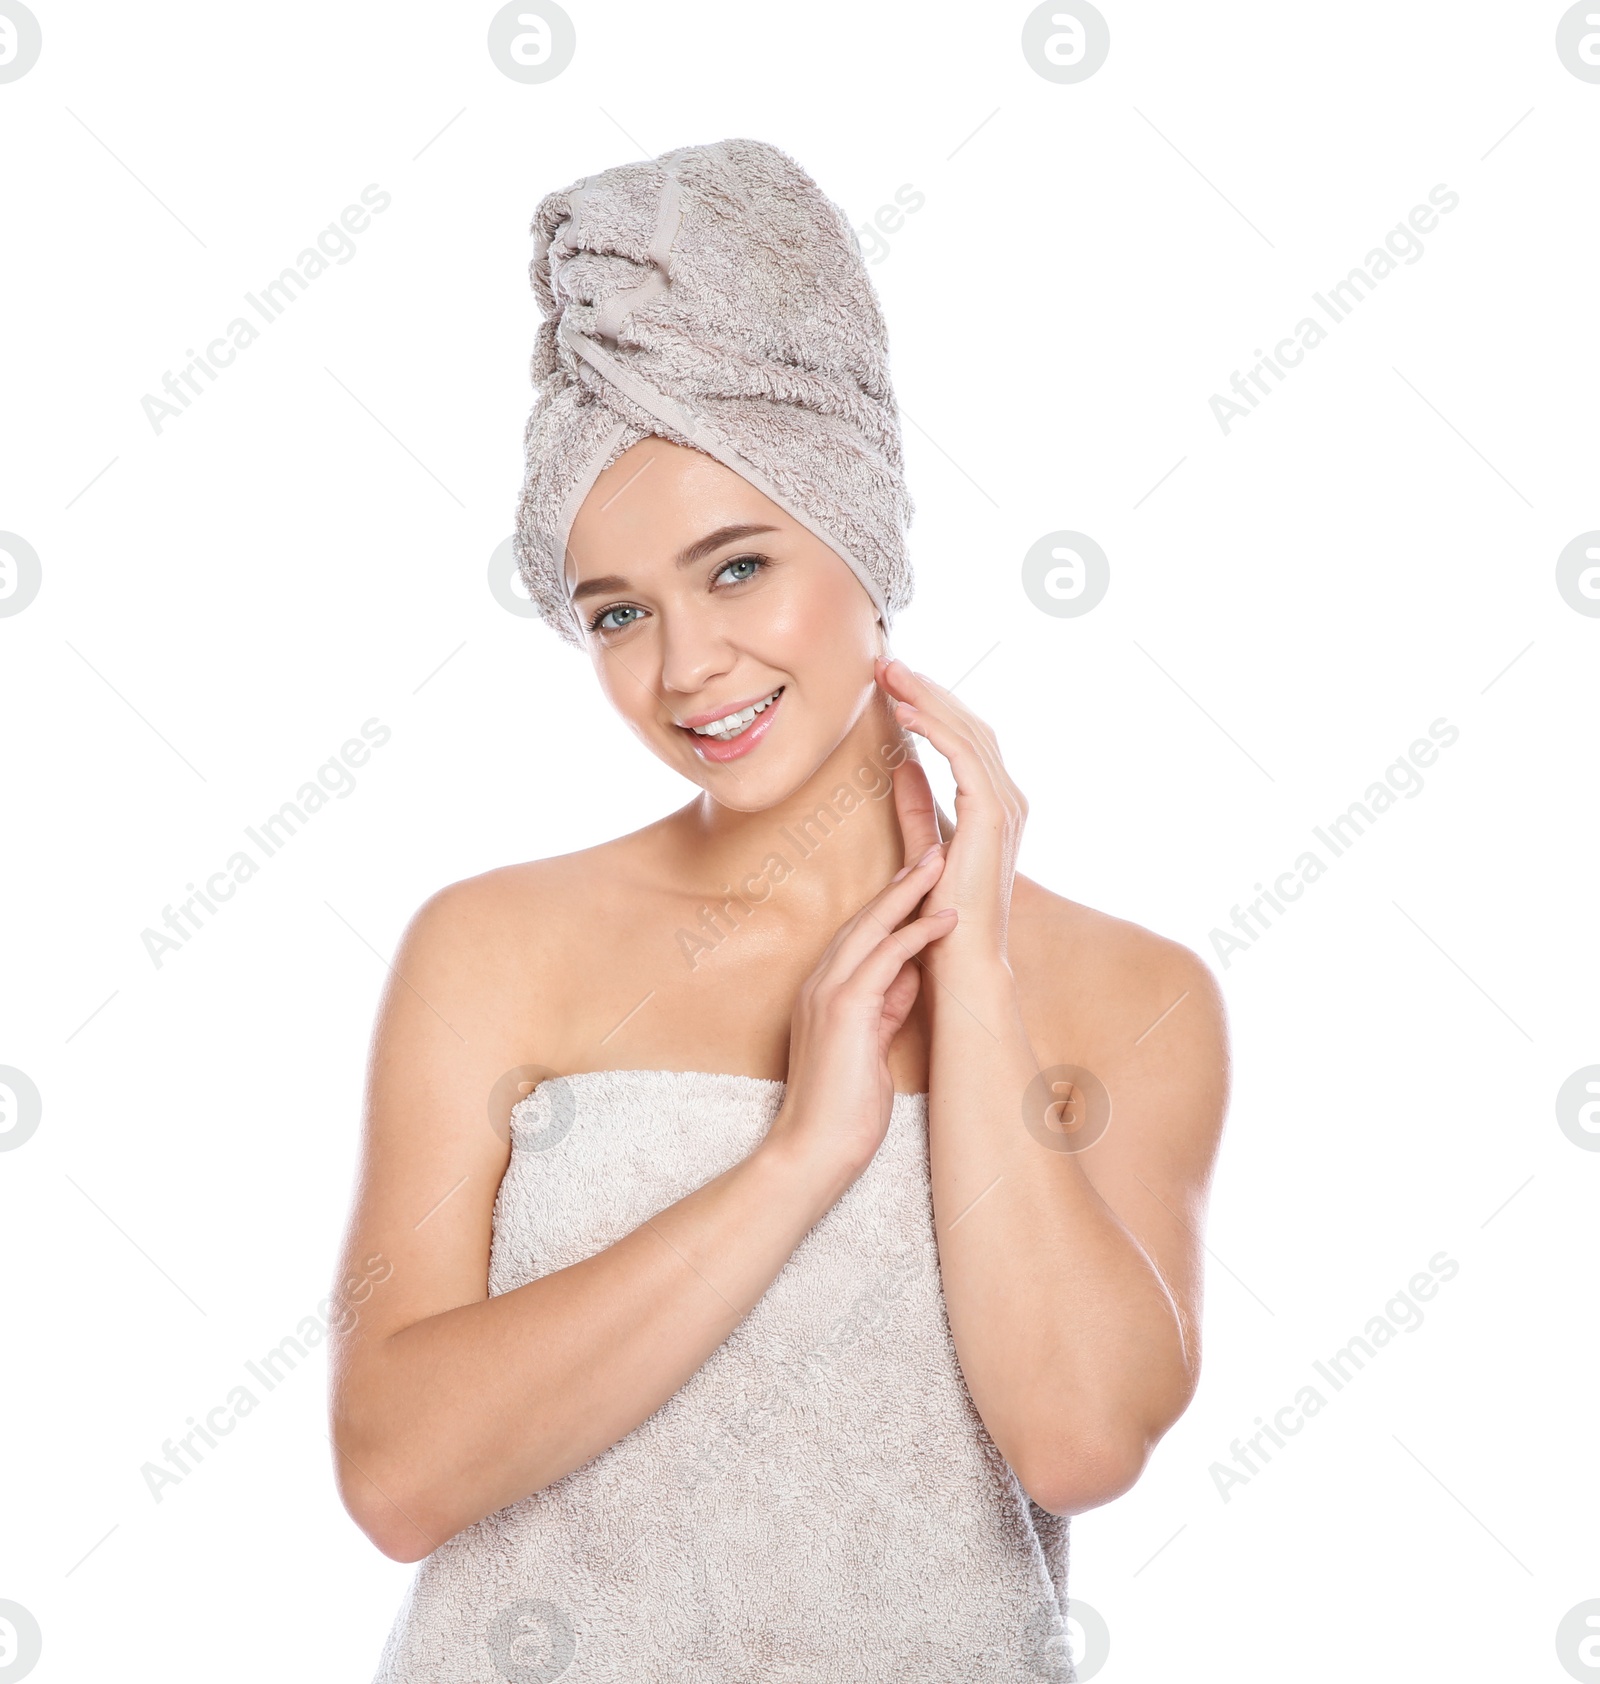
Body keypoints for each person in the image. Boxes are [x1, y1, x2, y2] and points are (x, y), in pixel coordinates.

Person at [329, 137, 1229, 1683]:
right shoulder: (493, 950)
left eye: (738, 569)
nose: (684, 670)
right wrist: (803, 1154)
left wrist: (981, 965)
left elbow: (1077, 1439)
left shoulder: (1130, 995)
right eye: (617, 612)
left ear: (864, 544)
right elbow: (399, 1477)